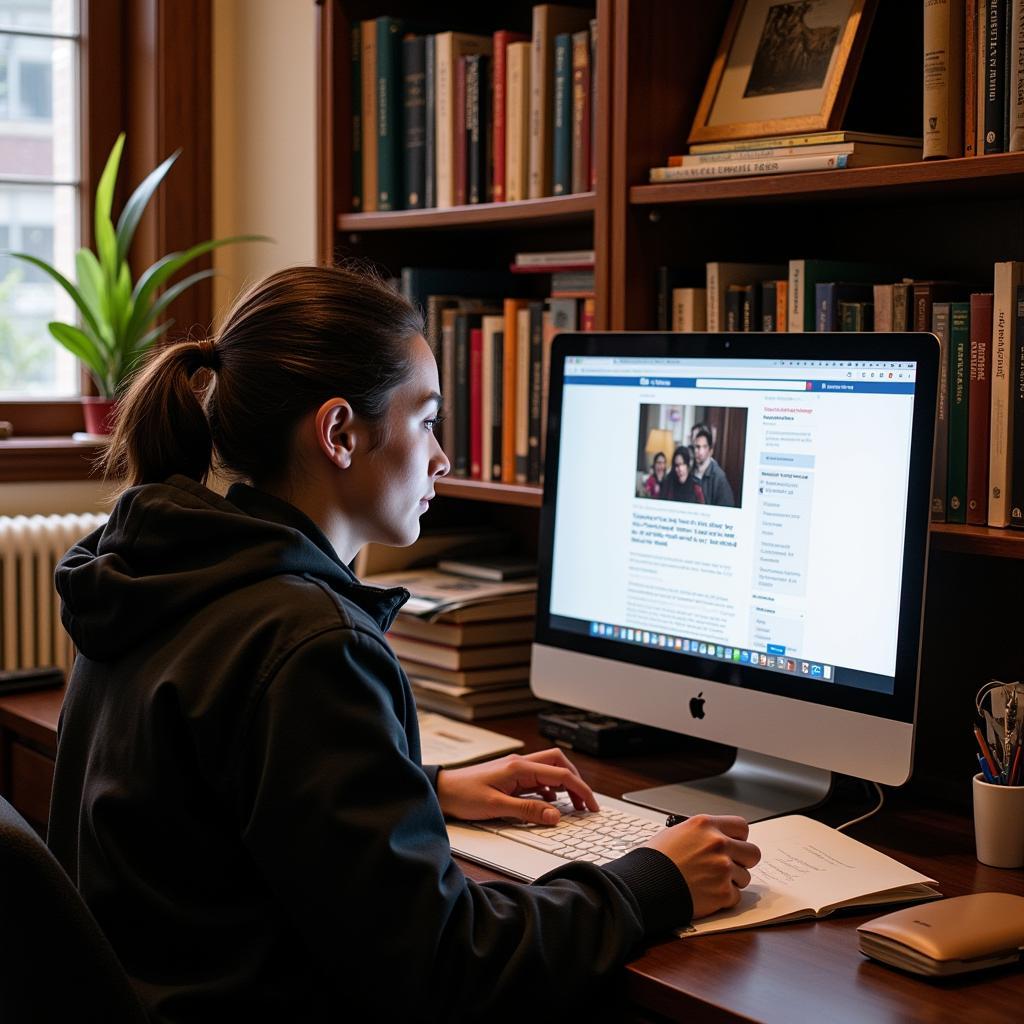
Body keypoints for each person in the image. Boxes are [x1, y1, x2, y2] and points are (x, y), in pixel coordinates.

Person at [47, 266, 760, 1023]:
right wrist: (654, 880)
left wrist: (418, 789)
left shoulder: (153, 571)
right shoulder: (309, 643)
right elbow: (450, 967)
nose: (443, 457)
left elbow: (211, 794)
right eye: (426, 419)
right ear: (340, 434)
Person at [692, 426, 736, 507]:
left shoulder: (719, 477)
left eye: (704, 447)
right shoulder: (690, 471)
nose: (700, 452)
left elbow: (727, 507)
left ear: (710, 451)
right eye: (697, 447)